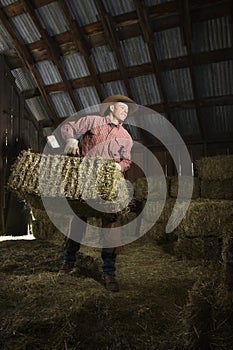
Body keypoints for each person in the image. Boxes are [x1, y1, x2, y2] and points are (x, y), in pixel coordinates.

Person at [59, 94, 137, 292]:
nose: (126, 111)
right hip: (84, 180)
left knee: (111, 224)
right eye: (122, 107)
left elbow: (126, 161)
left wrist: (119, 168)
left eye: (128, 110)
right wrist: (71, 141)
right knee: (78, 221)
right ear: (111, 108)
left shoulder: (126, 137)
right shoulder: (92, 121)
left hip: (108, 185)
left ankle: (109, 272)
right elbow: (67, 127)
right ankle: (68, 262)